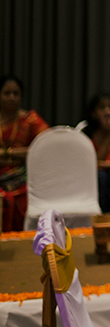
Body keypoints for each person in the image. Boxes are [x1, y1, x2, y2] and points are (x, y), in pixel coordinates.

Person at [0, 76, 49, 232]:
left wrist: (7, 153)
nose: (11, 97)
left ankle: (23, 239)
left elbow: (45, 146)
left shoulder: (30, 119)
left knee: (24, 196)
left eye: (16, 94)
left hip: (23, 174)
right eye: (6, 93)